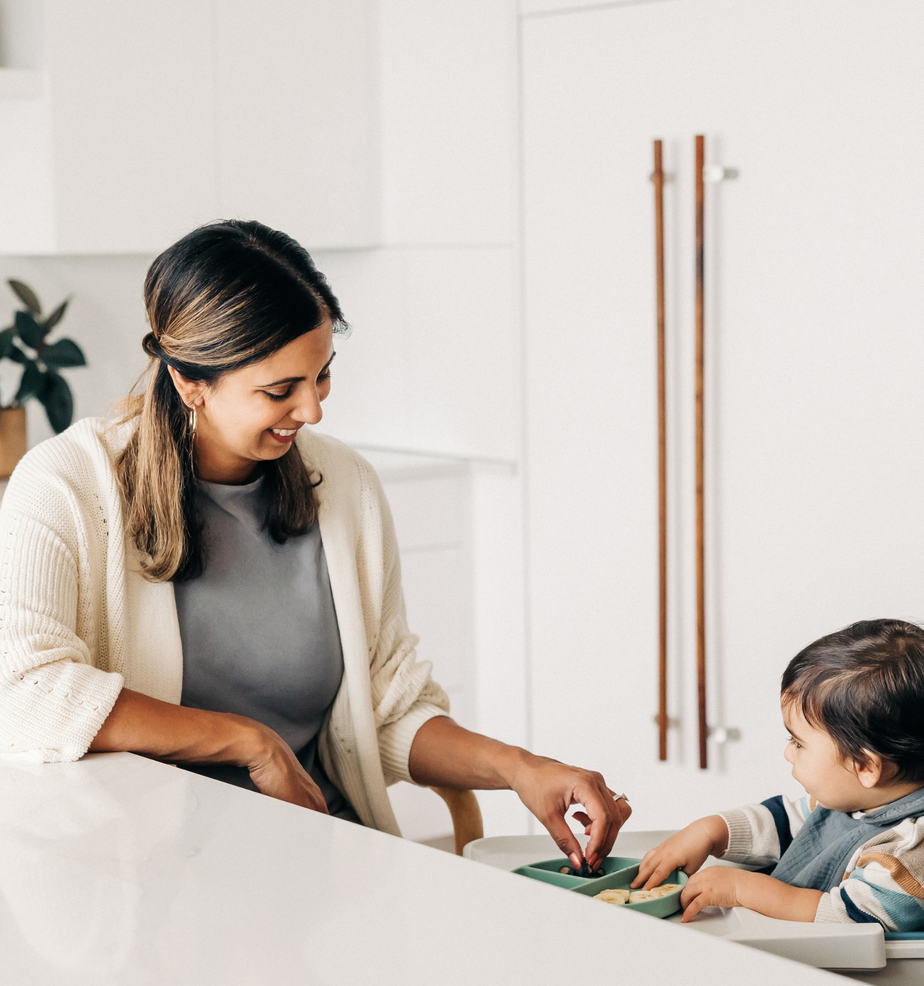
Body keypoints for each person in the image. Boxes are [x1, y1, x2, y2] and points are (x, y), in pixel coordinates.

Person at [0, 219, 630, 869]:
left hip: (327, 859)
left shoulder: (346, 487)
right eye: (280, 390)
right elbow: (23, 692)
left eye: (321, 376)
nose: (313, 411)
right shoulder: (65, 486)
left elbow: (388, 711)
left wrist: (524, 768)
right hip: (152, 874)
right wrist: (247, 742)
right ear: (190, 382)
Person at [634, 619, 924, 929]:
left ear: (865, 766)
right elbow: (787, 824)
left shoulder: (921, 845)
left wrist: (741, 889)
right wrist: (710, 832)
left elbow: (849, 920)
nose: (788, 752)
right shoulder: (862, 800)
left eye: (798, 743)